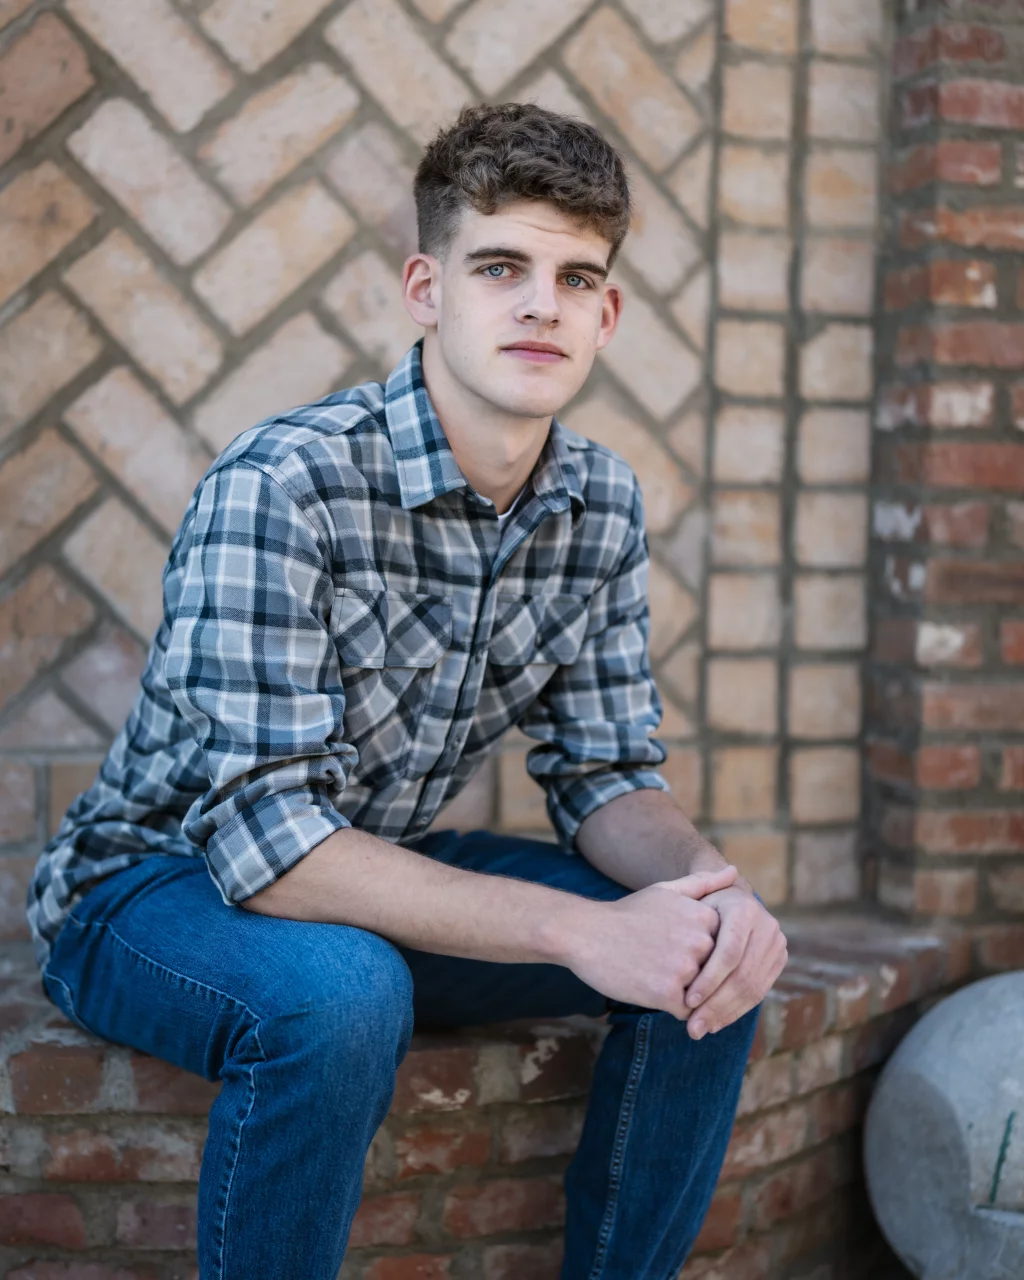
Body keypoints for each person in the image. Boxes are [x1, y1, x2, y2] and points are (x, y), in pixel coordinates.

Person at [28, 103, 787, 1279]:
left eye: (575, 276)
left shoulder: (599, 505)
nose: (542, 302)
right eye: (502, 266)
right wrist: (580, 928)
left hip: (370, 865)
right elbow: (266, 842)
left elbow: (605, 774)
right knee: (341, 994)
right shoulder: (285, 483)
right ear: (427, 289)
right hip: (155, 884)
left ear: (608, 313)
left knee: (707, 955)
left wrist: (705, 892)